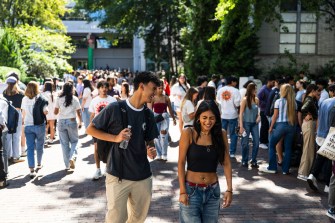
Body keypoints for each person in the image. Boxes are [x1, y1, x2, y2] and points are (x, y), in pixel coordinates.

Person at [86, 72, 160, 223]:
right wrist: (115, 138)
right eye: (153, 88)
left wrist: (151, 150)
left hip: (142, 176)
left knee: (138, 219)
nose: (155, 93)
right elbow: (91, 129)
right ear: (141, 86)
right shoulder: (115, 108)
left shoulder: (148, 114)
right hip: (117, 175)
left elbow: (149, 140)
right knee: (116, 219)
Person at [178, 100, 232, 222]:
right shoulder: (188, 133)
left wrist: (229, 189)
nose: (208, 122)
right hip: (191, 191)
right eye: (204, 117)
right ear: (198, 118)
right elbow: (181, 163)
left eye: (212, 118)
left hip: (213, 192)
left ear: (217, 119)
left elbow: (227, 162)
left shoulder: (221, 134)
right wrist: (182, 191)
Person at [260, 84, 296, 174]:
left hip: (280, 125)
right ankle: (285, 170)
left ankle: (272, 167)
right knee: (288, 148)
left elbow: (275, 116)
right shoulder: (294, 103)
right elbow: (294, 117)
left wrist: (271, 127)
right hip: (291, 126)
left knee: (272, 145)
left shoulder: (279, 101)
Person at [308, 84, 335, 192]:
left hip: (321, 133)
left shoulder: (324, 102)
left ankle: (313, 175)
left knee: (321, 157)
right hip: (330, 135)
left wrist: (317, 131)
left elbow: (319, 118)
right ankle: (328, 185)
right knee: (329, 160)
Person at [89, 81, 117, 179]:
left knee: (110, 148)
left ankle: (107, 168)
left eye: (106, 87)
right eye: (102, 87)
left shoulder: (113, 100)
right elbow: (92, 115)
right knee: (96, 148)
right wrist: (91, 128)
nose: (104, 89)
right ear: (99, 89)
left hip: (109, 129)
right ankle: (97, 169)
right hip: (97, 128)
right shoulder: (94, 100)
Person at [21, 81, 48, 178]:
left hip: (28, 126)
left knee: (30, 148)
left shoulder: (24, 99)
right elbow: (46, 111)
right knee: (40, 145)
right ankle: (39, 163)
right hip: (39, 125)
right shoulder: (40, 98)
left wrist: (23, 123)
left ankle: (31, 169)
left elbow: (23, 113)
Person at [55, 82, 82, 170]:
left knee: (64, 144)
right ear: (72, 89)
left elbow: (55, 112)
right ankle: (72, 157)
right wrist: (80, 122)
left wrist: (61, 112)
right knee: (74, 141)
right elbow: (79, 112)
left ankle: (67, 165)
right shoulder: (75, 98)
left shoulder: (59, 98)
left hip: (61, 122)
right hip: (72, 121)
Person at [150, 80, 176, 161]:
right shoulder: (153, 98)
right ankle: (159, 154)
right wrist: (150, 120)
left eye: (162, 88)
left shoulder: (166, 98)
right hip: (155, 117)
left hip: (165, 118)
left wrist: (174, 119)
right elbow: (150, 110)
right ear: (156, 89)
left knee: (164, 136)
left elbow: (170, 109)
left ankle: (164, 154)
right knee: (156, 137)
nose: (161, 90)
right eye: (159, 88)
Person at [297, 84, 318, 181]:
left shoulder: (309, 99)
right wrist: (308, 115)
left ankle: (304, 172)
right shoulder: (309, 100)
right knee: (308, 150)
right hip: (309, 125)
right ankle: (303, 173)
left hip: (309, 125)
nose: (318, 93)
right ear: (313, 91)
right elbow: (303, 109)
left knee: (308, 149)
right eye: (317, 91)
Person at [216, 76, 241, 158]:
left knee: (222, 133)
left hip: (223, 114)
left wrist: (224, 104)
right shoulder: (236, 91)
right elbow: (237, 104)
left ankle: (221, 150)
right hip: (233, 115)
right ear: (233, 82)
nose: (236, 83)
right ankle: (232, 152)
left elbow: (218, 100)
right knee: (233, 134)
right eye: (235, 82)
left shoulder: (220, 90)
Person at [3, 76, 24, 162]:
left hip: (6, 115)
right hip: (17, 114)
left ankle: (8, 156)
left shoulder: (3, 93)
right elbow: (23, 107)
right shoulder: (21, 93)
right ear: (16, 83)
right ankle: (16, 156)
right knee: (16, 136)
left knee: (7, 136)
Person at [239, 83, 260, 167]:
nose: (256, 90)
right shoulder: (244, 100)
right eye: (255, 89)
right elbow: (240, 114)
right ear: (250, 90)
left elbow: (259, 111)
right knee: (245, 143)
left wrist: (259, 116)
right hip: (246, 123)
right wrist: (241, 126)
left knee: (257, 142)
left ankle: (254, 160)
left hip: (255, 124)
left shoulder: (257, 99)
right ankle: (245, 160)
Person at [257, 76, 275, 149]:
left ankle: (265, 141)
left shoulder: (270, 89)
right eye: (273, 82)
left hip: (267, 111)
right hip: (263, 110)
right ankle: (262, 142)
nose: (274, 84)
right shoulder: (263, 89)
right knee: (264, 126)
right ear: (269, 81)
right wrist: (265, 104)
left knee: (266, 126)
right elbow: (258, 99)